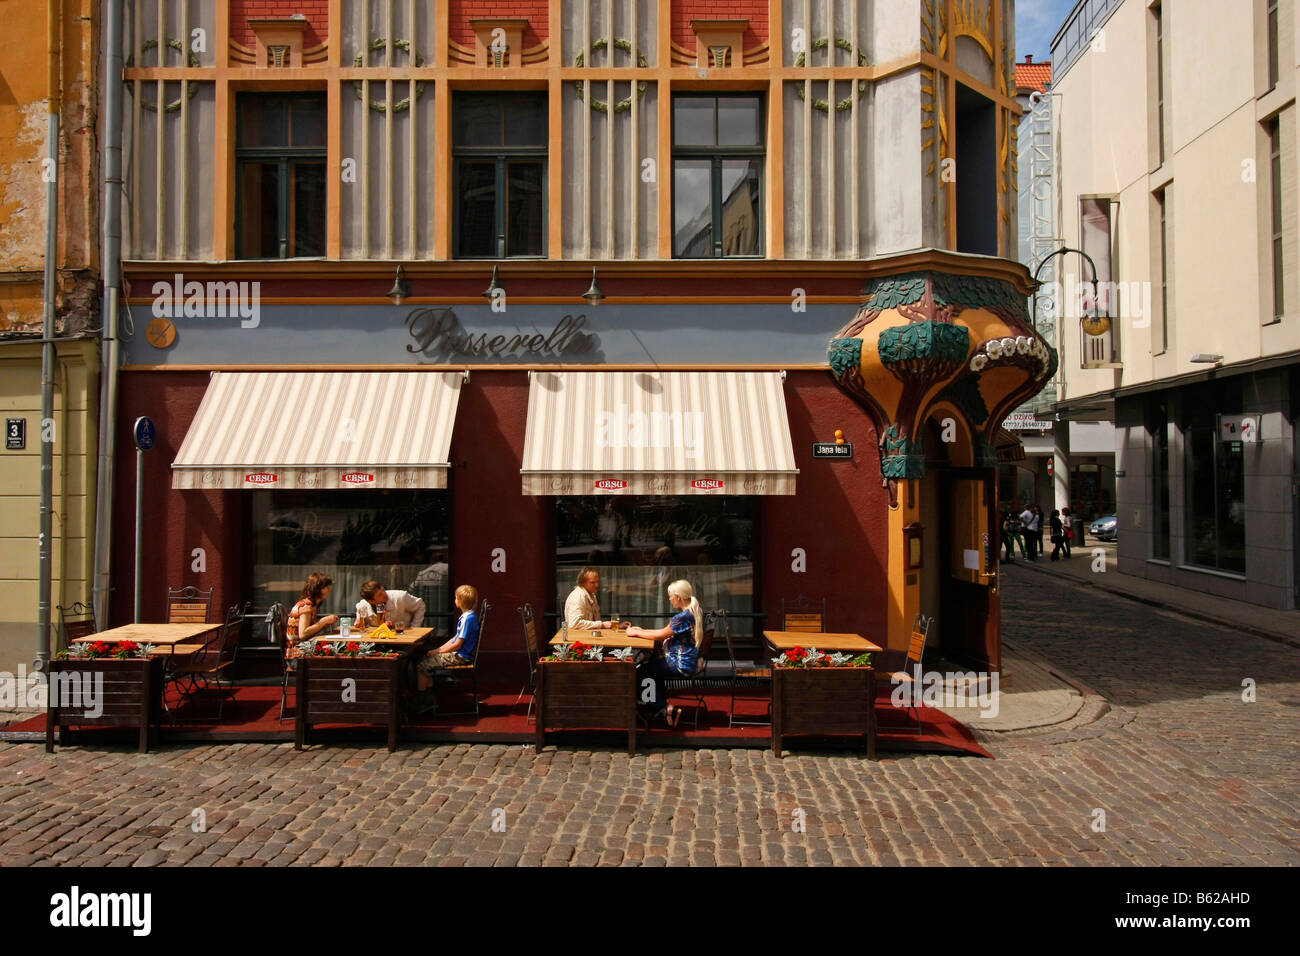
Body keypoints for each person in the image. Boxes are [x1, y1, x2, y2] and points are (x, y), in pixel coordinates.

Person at [625, 579, 702, 728]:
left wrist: (635, 633)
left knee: (640, 672)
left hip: (680, 664)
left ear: (678, 597)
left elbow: (659, 635)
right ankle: (661, 706)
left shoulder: (682, 618)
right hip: (688, 661)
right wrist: (641, 631)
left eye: (671, 596)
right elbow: (664, 632)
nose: (669, 599)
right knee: (651, 669)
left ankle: (664, 709)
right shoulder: (694, 611)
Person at [416, 584, 481, 692]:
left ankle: (422, 699)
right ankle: (430, 695)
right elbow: (455, 638)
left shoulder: (467, 619)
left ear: (460, 602)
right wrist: (438, 650)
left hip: (461, 656)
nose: (454, 600)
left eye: (456, 598)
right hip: (461, 654)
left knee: (422, 666)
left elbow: (457, 644)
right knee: (426, 660)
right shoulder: (469, 617)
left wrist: (438, 652)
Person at [286, 573, 340, 658]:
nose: (329, 590)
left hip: (303, 649)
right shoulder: (306, 606)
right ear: (317, 589)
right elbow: (303, 634)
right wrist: (323, 621)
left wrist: (324, 623)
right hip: (298, 655)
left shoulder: (312, 604)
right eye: (326, 587)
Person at [355, 580, 426, 629]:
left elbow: (420, 605)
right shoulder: (363, 606)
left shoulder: (399, 597)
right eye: (379, 595)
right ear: (371, 601)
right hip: (379, 639)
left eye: (383, 590)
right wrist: (358, 621)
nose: (384, 594)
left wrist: (415, 627)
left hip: (404, 636)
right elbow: (360, 615)